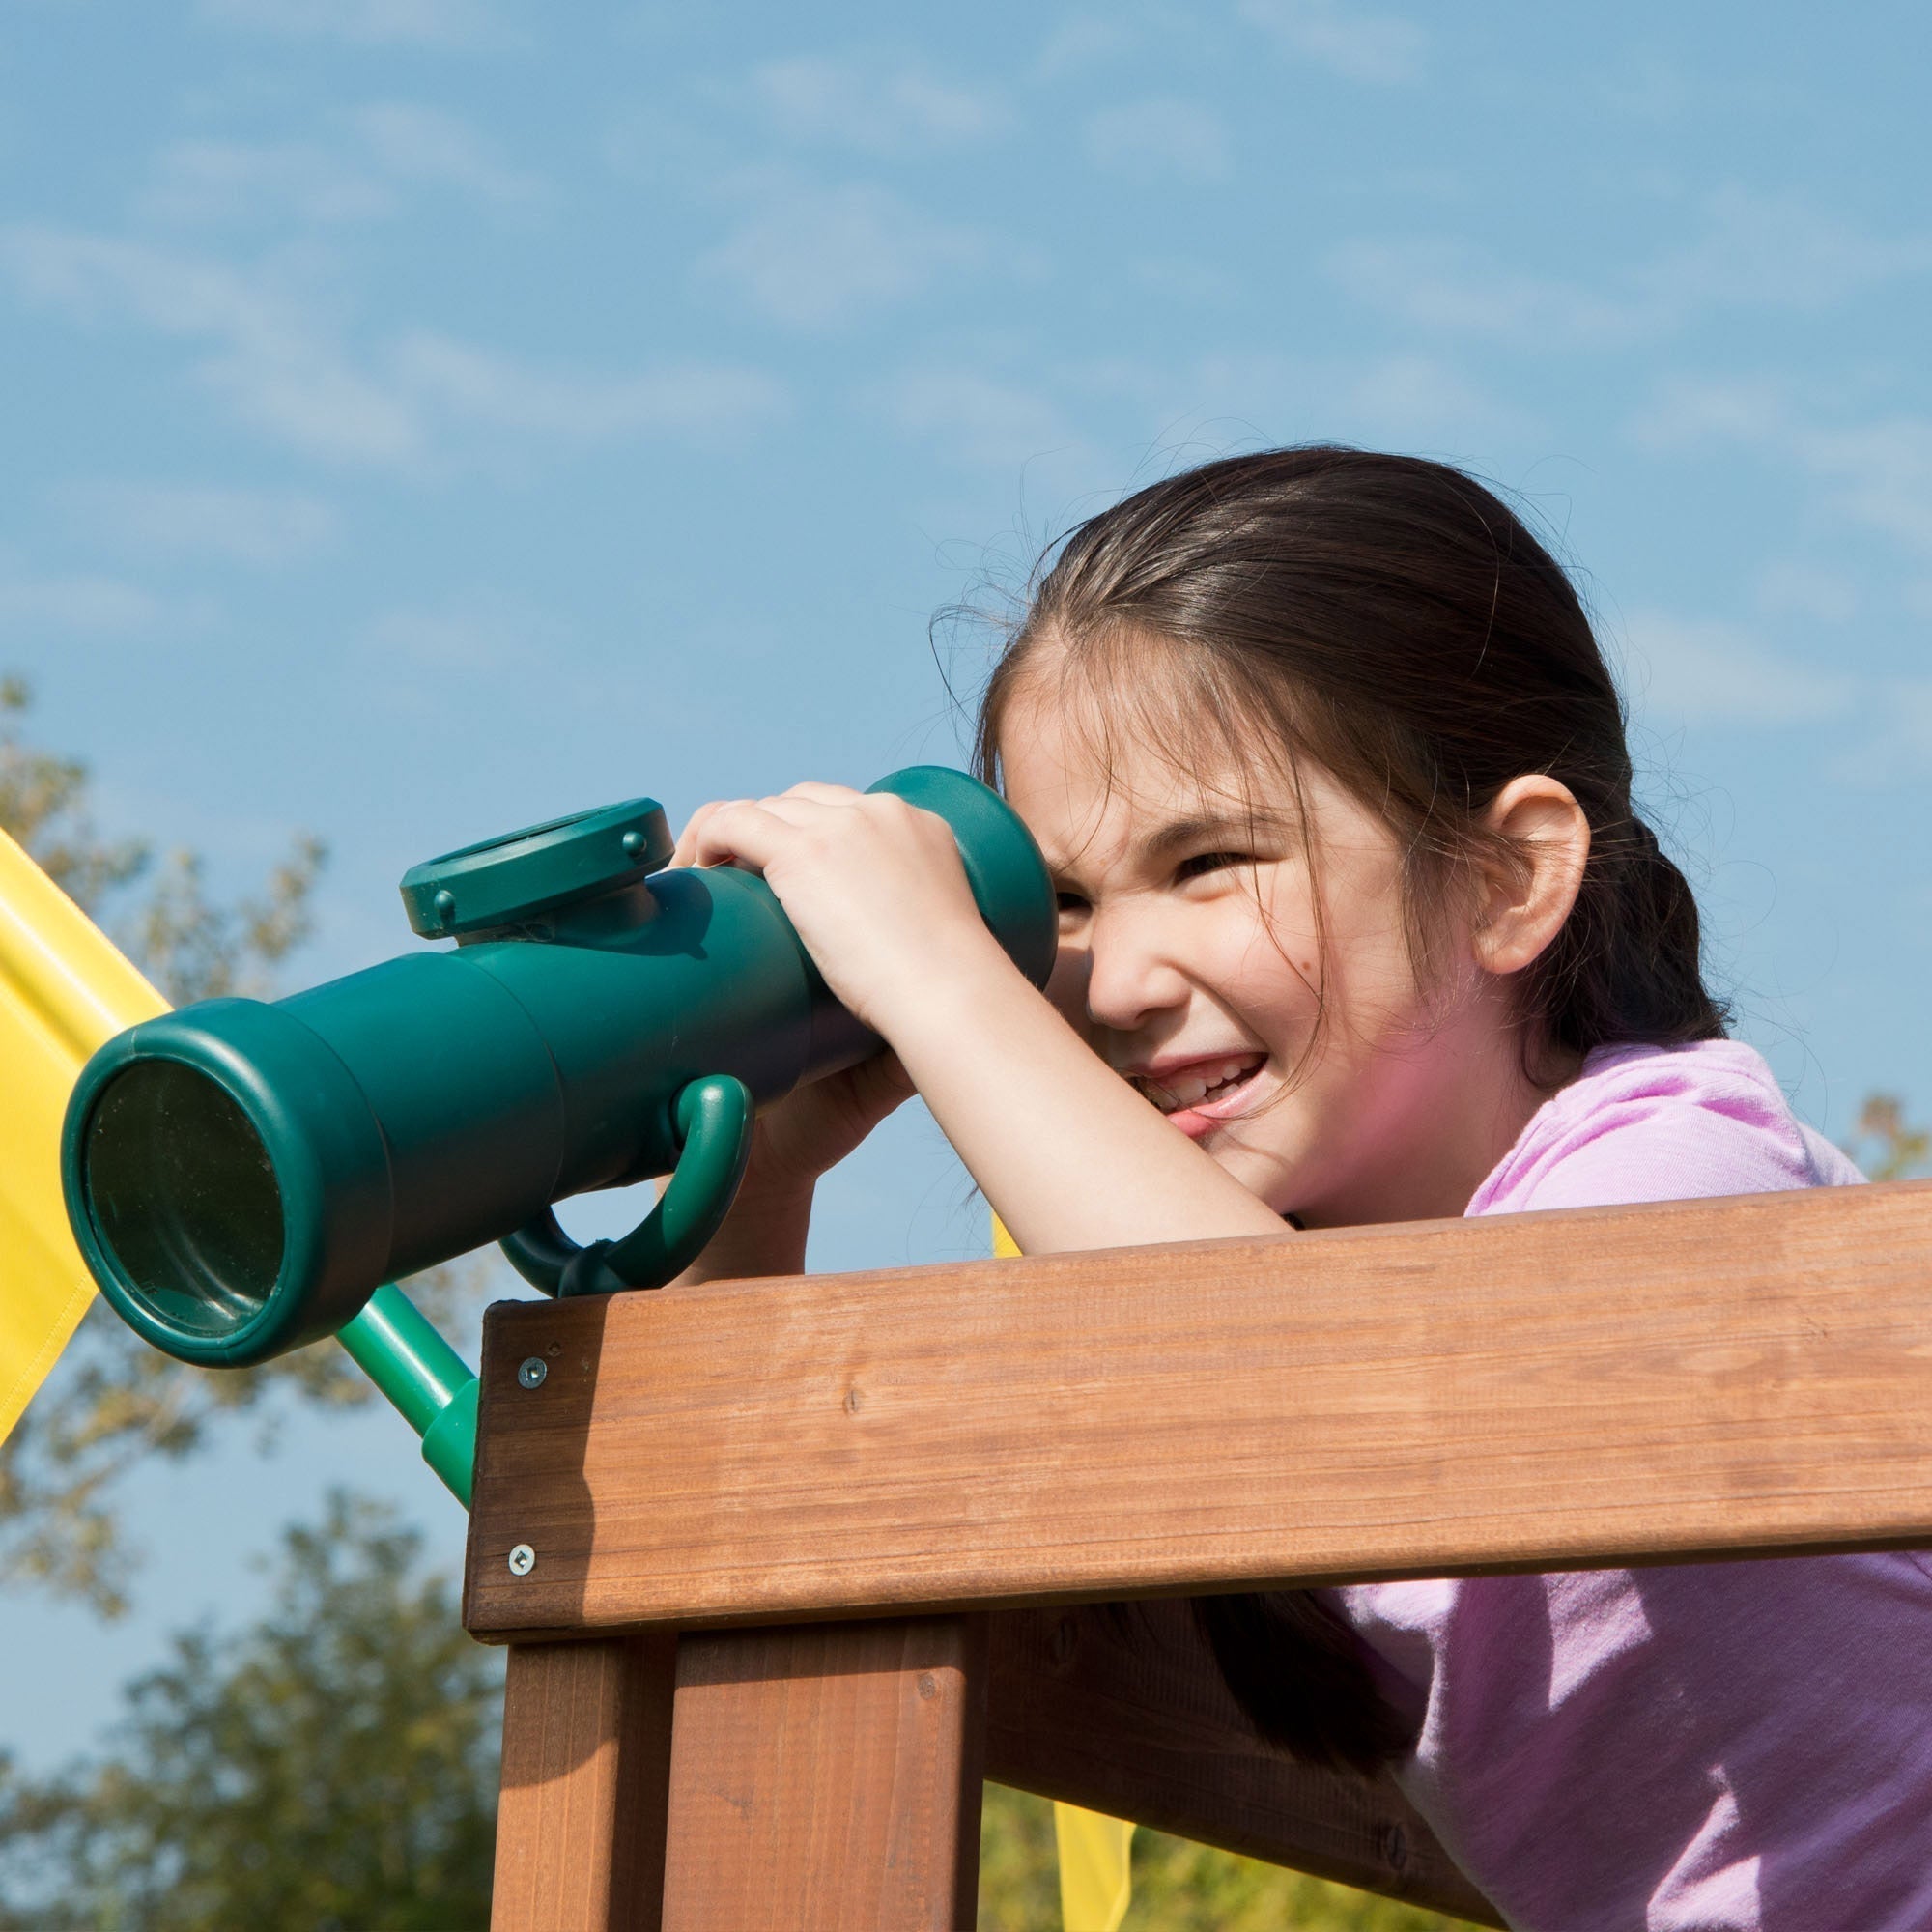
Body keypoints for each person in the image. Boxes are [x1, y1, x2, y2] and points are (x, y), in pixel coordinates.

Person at [669, 447, 1932, 1929]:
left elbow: (1306, 1381)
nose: (1118, 983)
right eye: (1064, 904)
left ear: (1509, 879)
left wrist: (943, 984)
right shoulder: (1196, 1289)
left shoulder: (1688, 1166)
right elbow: (718, 1540)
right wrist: (754, 1175)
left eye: (1211, 860)